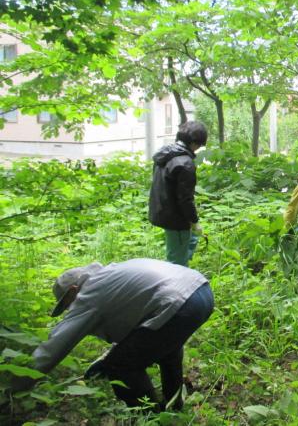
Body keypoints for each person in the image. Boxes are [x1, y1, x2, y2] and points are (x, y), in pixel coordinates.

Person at [11, 258, 214, 410]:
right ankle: (174, 404)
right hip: (201, 290)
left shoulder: (88, 294)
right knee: (165, 346)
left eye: (66, 304)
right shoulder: (110, 274)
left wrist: (15, 383)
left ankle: (153, 418)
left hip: (180, 304)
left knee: (120, 366)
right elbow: (136, 329)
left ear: (73, 290)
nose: (69, 309)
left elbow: (55, 346)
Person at [149, 120, 208, 266]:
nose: (198, 148)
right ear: (194, 142)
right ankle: (177, 282)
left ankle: (181, 263)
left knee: (192, 238)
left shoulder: (165, 153)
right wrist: (194, 221)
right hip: (175, 218)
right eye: (199, 145)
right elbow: (185, 199)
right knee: (177, 262)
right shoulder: (185, 163)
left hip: (161, 210)